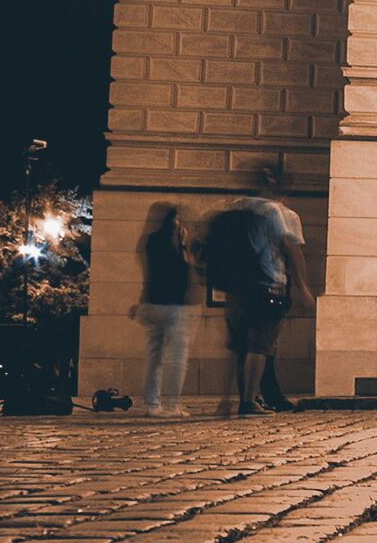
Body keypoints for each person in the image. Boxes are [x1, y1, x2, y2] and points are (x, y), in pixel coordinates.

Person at [198, 164, 312, 414]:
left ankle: (239, 399)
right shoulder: (271, 211)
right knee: (259, 347)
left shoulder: (235, 205)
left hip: (236, 288)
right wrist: (302, 287)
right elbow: (291, 249)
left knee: (241, 347)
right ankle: (248, 402)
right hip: (266, 285)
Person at [134, 200, 200, 415]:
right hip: (174, 306)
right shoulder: (175, 242)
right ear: (172, 220)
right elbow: (183, 270)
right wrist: (183, 244)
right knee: (177, 358)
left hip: (152, 304)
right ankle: (171, 405)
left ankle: (151, 404)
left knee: (155, 357)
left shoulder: (149, 240)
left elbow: (148, 274)